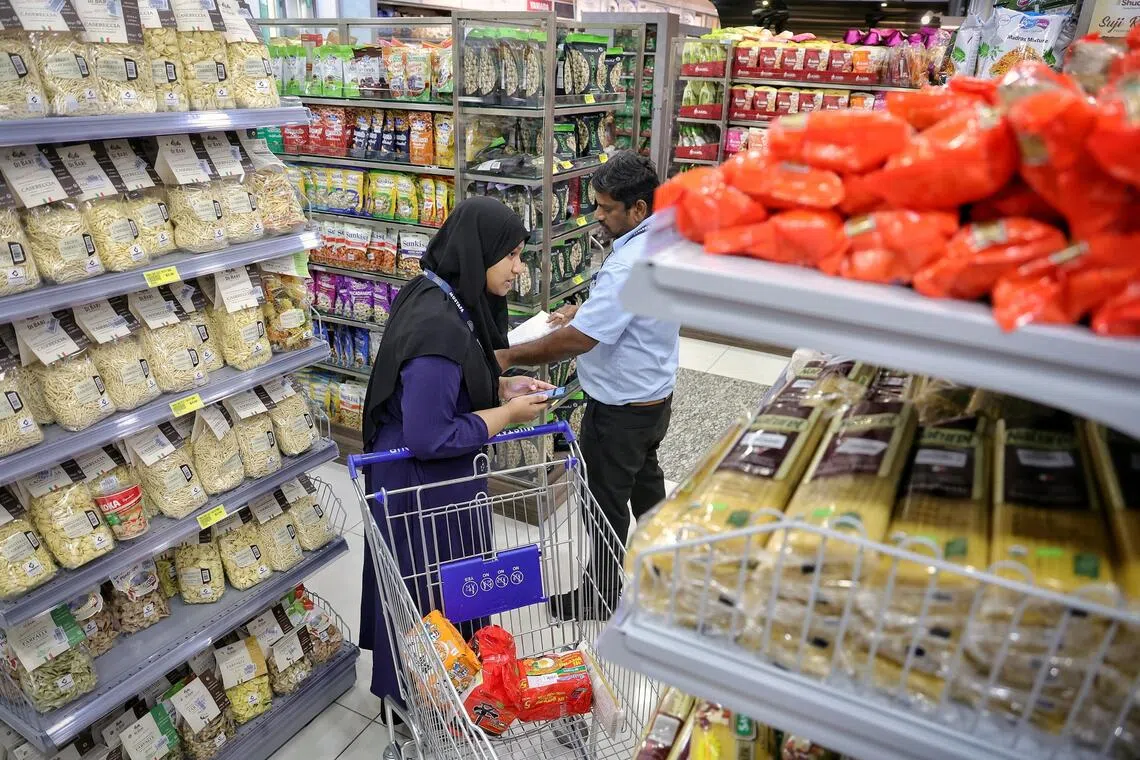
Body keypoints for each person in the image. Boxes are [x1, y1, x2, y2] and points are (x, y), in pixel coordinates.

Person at [358, 197, 552, 710]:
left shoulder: (441, 294)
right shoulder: (437, 327)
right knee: (427, 597)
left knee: (447, 591)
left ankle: (456, 687)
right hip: (417, 486)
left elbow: (447, 387)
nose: (518, 268)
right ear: (478, 252)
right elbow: (430, 435)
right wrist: (508, 415)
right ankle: (421, 702)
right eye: (511, 255)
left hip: (435, 482)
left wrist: (500, 387)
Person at [494, 151, 680, 617]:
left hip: (619, 409)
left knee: (604, 503)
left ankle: (600, 593)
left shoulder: (628, 262)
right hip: (653, 397)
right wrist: (589, 309)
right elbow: (633, 308)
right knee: (646, 486)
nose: (596, 215)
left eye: (606, 207)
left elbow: (579, 341)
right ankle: (664, 572)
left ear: (638, 208)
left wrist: (510, 355)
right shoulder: (663, 236)